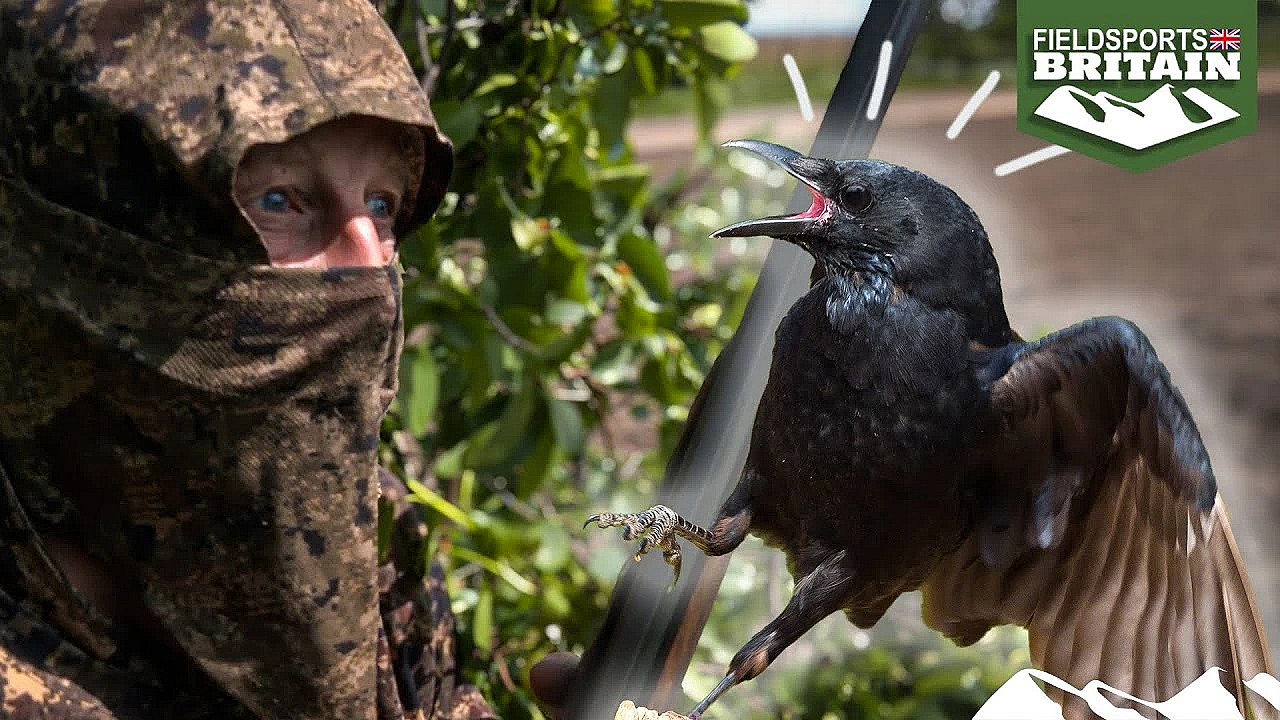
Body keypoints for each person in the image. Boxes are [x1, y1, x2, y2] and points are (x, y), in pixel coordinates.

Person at [0, 1, 492, 718]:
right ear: (83, 244)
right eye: (279, 199)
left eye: (383, 206)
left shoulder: (370, 537)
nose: (369, 278)